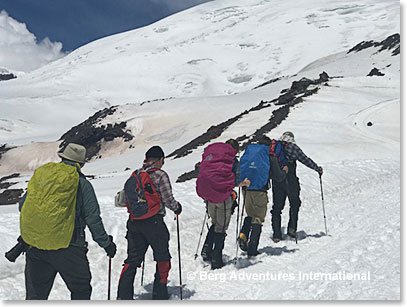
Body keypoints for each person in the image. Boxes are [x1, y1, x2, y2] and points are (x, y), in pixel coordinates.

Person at [19, 143, 117, 300]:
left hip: (36, 246)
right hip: (69, 248)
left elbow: (22, 206)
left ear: (62, 157)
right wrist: (106, 244)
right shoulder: (82, 184)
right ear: (81, 163)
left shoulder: (42, 177)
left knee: (36, 297)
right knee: (81, 290)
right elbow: (93, 218)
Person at [117, 146, 182, 300]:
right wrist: (177, 208)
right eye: (163, 161)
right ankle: (160, 294)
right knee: (162, 256)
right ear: (160, 159)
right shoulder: (160, 175)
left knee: (132, 260)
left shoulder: (136, 174)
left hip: (134, 222)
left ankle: (123, 296)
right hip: (154, 222)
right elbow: (168, 199)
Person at [199, 139, 250, 269]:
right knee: (221, 228)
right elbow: (236, 182)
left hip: (209, 197)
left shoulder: (213, 157)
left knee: (215, 224)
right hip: (223, 197)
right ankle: (216, 259)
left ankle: (206, 250)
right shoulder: (233, 161)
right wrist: (243, 183)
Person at [271, 131, 323, 242]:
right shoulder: (293, 148)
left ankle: (276, 234)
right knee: (294, 203)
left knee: (277, 208)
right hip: (291, 180)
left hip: (277, 181)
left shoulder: (274, 148)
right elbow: (305, 159)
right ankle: (292, 229)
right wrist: (317, 168)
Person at [238, 136, 275, 257]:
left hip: (246, 188)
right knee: (258, 218)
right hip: (260, 190)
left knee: (250, 215)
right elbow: (276, 174)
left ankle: (243, 234)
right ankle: (253, 248)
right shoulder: (266, 155)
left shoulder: (249, 151)